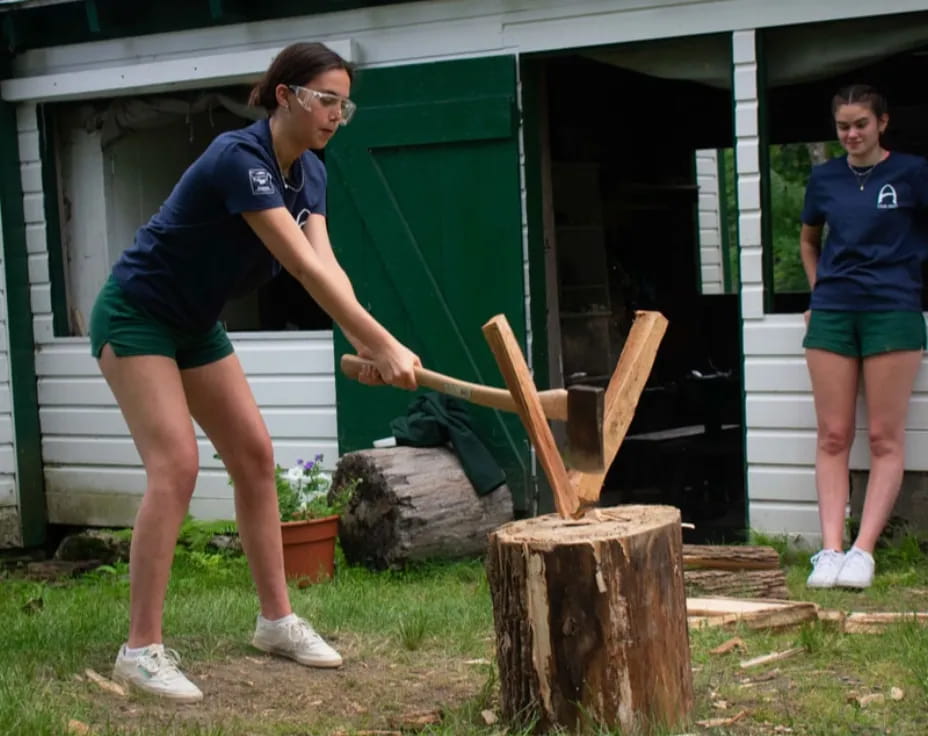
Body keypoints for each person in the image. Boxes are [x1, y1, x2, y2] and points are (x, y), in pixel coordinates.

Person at [89, 42, 420, 702]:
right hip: (136, 315)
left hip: (194, 322)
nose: (335, 114)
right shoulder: (240, 159)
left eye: (344, 105)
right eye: (325, 98)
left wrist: (372, 342)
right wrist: (378, 342)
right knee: (176, 464)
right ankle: (140, 649)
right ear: (284, 96)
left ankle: (276, 621)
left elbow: (327, 269)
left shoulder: (313, 174)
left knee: (254, 456)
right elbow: (297, 265)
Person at [800, 84, 928, 589]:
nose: (851, 134)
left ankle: (863, 552)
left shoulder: (913, 173)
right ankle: (830, 551)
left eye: (861, 124)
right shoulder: (824, 178)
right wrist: (817, 293)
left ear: (882, 123)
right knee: (833, 435)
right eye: (843, 126)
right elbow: (809, 240)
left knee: (883, 437)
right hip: (833, 312)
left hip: (893, 310)